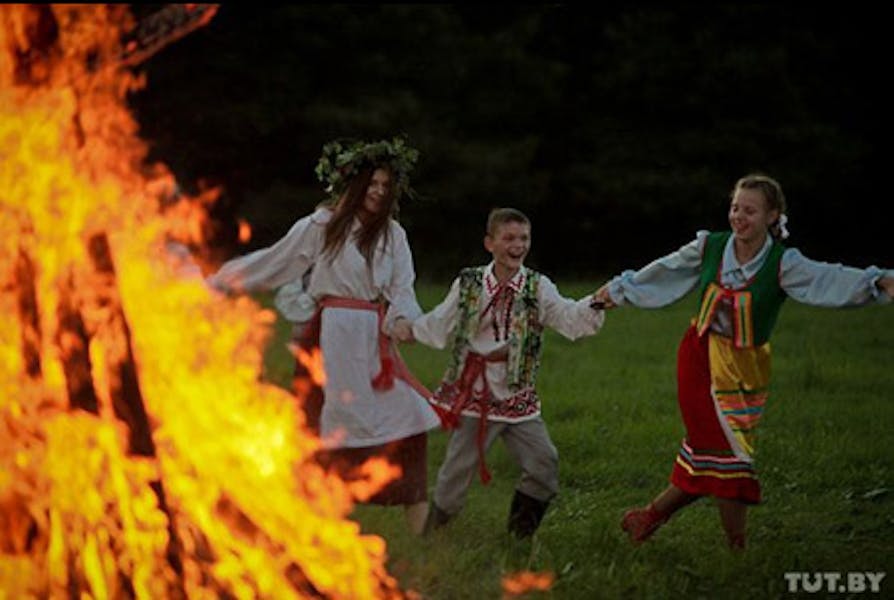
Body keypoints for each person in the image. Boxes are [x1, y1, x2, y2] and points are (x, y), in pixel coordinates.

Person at [594, 173, 894, 549]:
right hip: (700, 360)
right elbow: (664, 271)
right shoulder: (710, 246)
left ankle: (650, 515)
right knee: (731, 455)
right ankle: (737, 547)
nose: (738, 216)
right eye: (735, 207)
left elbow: (827, 278)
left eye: (750, 211)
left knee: (714, 454)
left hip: (747, 369)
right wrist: (619, 290)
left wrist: (878, 281)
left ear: (772, 216)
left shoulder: (785, 264)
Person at [207, 137, 441, 534]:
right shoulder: (322, 225)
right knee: (324, 432)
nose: (378, 192)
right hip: (330, 338)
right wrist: (220, 281)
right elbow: (276, 261)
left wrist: (405, 320)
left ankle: (422, 533)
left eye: (386, 187)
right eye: (372, 184)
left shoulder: (393, 235)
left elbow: (403, 288)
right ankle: (313, 526)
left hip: (373, 342)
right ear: (353, 184)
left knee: (409, 419)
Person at [393, 207, 606, 538]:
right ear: (489, 243)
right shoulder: (469, 283)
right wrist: (408, 328)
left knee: (544, 464)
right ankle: (431, 537)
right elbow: (441, 321)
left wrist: (598, 302)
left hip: (517, 396)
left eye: (524, 238)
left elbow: (568, 316)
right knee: (454, 477)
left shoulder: (537, 286)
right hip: (475, 395)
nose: (518, 245)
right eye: (509, 238)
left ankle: (519, 536)